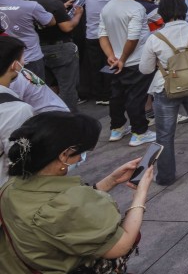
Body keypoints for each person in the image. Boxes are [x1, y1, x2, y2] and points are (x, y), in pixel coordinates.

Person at [0, 111, 155, 274]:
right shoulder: (62, 206)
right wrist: (140, 195)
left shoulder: (11, 186)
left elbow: (64, 214)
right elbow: (121, 245)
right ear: (64, 155)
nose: (81, 158)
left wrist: (112, 180)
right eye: (81, 151)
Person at [137, 0, 188, 186]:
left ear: (162, 14)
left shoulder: (155, 37)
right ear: (183, 11)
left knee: (164, 134)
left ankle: (166, 176)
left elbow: (145, 69)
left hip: (166, 87)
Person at [98, 0, 155, 146]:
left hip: (114, 60)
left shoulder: (108, 6)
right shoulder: (136, 8)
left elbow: (102, 34)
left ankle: (117, 127)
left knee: (117, 96)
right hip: (135, 60)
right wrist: (122, 58)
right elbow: (133, 37)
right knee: (136, 96)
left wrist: (111, 56)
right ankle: (139, 131)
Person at [25, 0, 83, 111]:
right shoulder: (54, 3)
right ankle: (68, 119)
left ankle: (50, 114)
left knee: (45, 87)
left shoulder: (25, 0)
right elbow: (67, 27)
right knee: (68, 87)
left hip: (36, 50)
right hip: (60, 48)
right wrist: (77, 14)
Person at [0, 0, 54, 77]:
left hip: (3, 61)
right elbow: (50, 21)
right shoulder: (30, 6)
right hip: (30, 59)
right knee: (36, 93)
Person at [0, 36, 35, 184]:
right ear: (14, 65)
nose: (24, 63)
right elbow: (20, 161)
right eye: (22, 59)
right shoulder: (16, 110)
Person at [83, 0, 117, 105]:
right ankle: (108, 93)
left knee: (95, 64)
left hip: (91, 32)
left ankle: (98, 94)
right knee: (110, 62)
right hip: (108, 34)